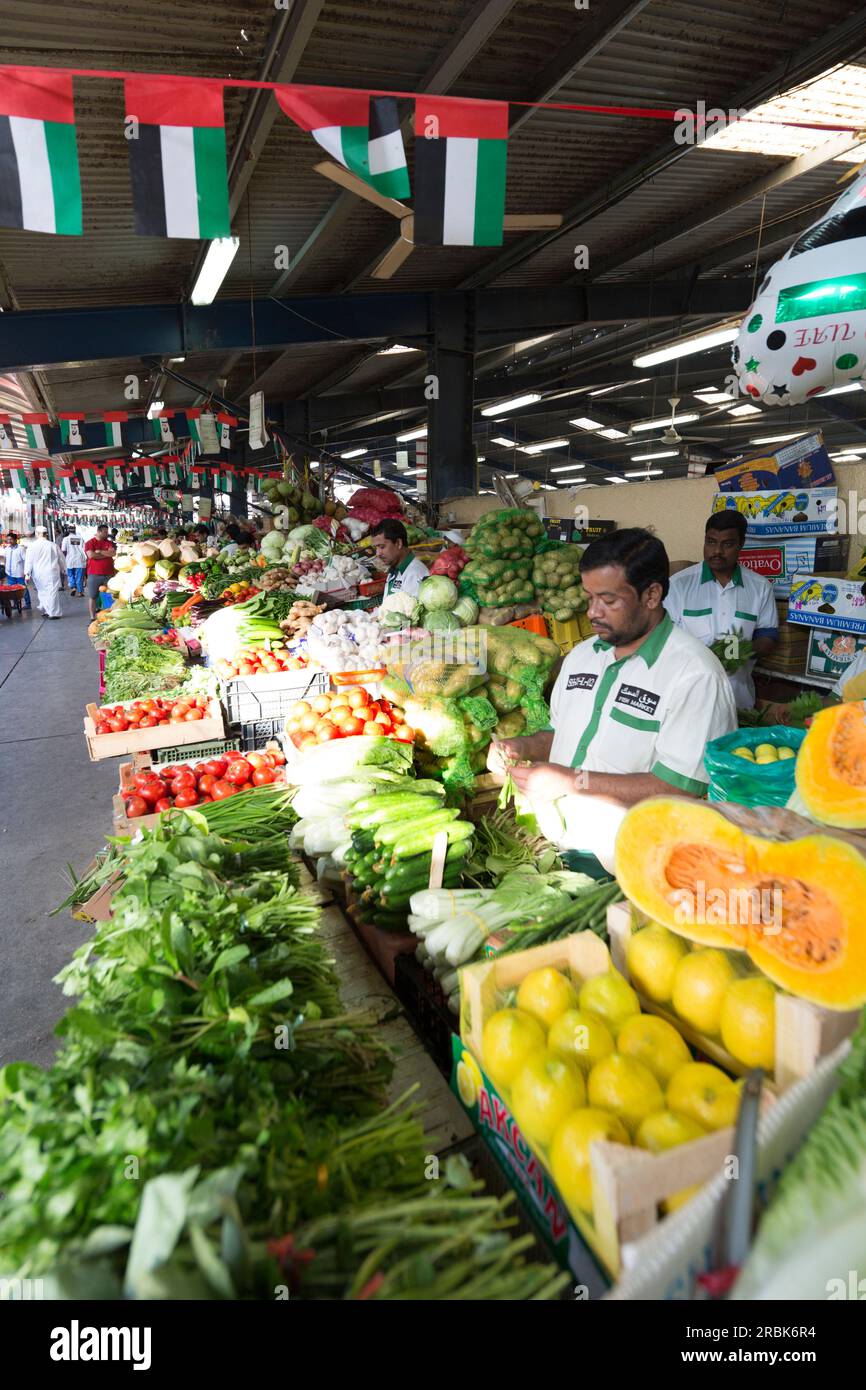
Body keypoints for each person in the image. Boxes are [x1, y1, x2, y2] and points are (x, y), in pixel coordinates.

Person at [487, 528, 737, 873]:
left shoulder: (694, 675)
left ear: (651, 595)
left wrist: (571, 781)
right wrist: (524, 746)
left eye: (608, 600)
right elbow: (559, 732)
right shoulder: (581, 656)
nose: (592, 612)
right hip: (556, 846)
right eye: (589, 597)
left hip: (632, 864)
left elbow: (679, 787)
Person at [665, 511, 778, 709]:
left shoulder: (760, 587)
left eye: (727, 544)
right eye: (710, 542)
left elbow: (767, 638)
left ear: (741, 544)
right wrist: (701, 655)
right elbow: (664, 639)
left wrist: (737, 651)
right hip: (687, 698)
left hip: (738, 700)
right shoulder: (678, 585)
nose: (717, 551)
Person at [370, 518, 429, 601]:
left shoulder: (415, 574)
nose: (378, 553)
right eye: (376, 548)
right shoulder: (394, 570)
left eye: (382, 547)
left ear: (398, 543)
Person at [25, 527, 66, 619]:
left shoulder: (32, 546)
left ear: (37, 533)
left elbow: (28, 561)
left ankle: (49, 611)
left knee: (42, 592)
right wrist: (64, 569)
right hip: (52, 572)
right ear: (46, 534)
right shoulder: (52, 545)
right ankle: (53, 612)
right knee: (52, 592)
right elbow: (61, 558)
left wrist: (27, 574)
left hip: (38, 573)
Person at [84, 523, 116, 620]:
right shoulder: (89, 543)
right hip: (94, 573)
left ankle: (110, 617)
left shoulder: (109, 542)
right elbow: (91, 555)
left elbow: (113, 553)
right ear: (99, 532)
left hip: (109, 573)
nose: (107, 534)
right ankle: (92, 617)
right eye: (105, 532)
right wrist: (106, 554)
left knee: (110, 595)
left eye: (107, 532)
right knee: (93, 596)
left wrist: (100, 552)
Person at [1, 532, 31, 609]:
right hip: (10, 573)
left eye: (10, 539)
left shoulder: (21, 549)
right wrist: (5, 566)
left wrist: (26, 572)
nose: (9, 541)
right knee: (12, 590)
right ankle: (15, 604)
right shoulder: (7, 549)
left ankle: (28, 604)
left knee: (23, 589)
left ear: (15, 539)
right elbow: (4, 558)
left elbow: (26, 560)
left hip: (19, 573)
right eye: (7, 539)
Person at [60, 529, 87, 596]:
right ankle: (80, 592)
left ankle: (73, 587)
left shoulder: (66, 539)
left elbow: (63, 550)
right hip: (80, 559)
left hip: (70, 560)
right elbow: (84, 549)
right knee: (79, 577)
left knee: (70, 575)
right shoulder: (81, 538)